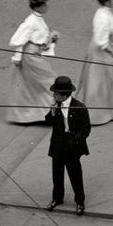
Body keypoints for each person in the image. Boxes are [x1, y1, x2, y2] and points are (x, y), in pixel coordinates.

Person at [9, 0, 60, 122]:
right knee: (49, 80)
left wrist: (51, 39)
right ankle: (51, 112)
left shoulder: (38, 19)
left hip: (35, 53)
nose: (47, 6)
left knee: (39, 83)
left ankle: (44, 113)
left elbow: (40, 42)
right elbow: (18, 40)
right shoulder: (31, 22)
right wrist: (17, 57)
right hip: (31, 56)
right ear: (40, 6)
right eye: (45, 4)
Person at [41, 75, 92, 215]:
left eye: (55, 93)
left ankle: (80, 201)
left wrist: (75, 140)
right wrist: (52, 113)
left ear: (63, 95)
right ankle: (57, 198)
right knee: (57, 174)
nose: (53, 96)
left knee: (75, 175)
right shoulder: (56, 106)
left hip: (72, 145)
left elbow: (86, 128)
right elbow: (48, 122)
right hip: (58, 144)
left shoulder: (79, 107)